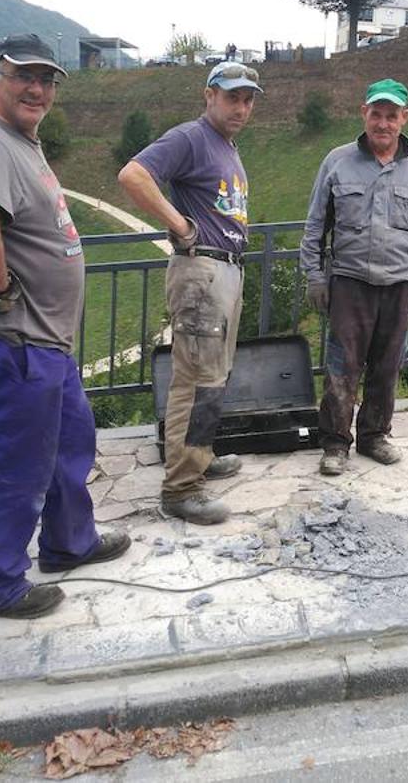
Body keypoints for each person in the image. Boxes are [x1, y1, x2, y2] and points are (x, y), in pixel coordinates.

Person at [0, 33, 130, 619]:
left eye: (47, 79)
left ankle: (69, 542)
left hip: (44, 344)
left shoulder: (16, 139)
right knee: (7, 464)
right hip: (12, 342)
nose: (38, 88)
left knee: (69, 440)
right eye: (24, 74)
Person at [117, 61, 263, 524]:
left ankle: (198, 453)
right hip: (202, 272)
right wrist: (180, 225)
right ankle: (181, 488)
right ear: (209, 95)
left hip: (223, 272)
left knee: (212, 377)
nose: (241, 106)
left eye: (248, 99)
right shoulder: (191, 137)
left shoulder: (224, 146)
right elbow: (134, 175)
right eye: (232, 97)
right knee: (196, 379)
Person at [300, 79, 408, 476]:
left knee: (388, 365)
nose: (383, 123)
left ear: (404, 119)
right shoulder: (337, 161)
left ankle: (374, 435)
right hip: (349, 281)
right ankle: (335, 443)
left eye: (391, 115)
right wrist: (314, 275)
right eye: (376, 114)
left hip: (401, 283)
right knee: (342, 365)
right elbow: (315, 226)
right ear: (364, 114)